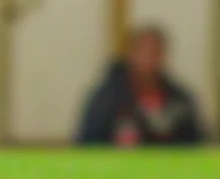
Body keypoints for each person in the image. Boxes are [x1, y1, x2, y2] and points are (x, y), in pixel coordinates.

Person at [77, 24, 205, 147]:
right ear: (131, 53)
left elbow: (195, 143)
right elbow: (88, 143)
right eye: (144, 51)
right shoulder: (106, 99)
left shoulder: (180, 100)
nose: (149, 59)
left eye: (156, 52)